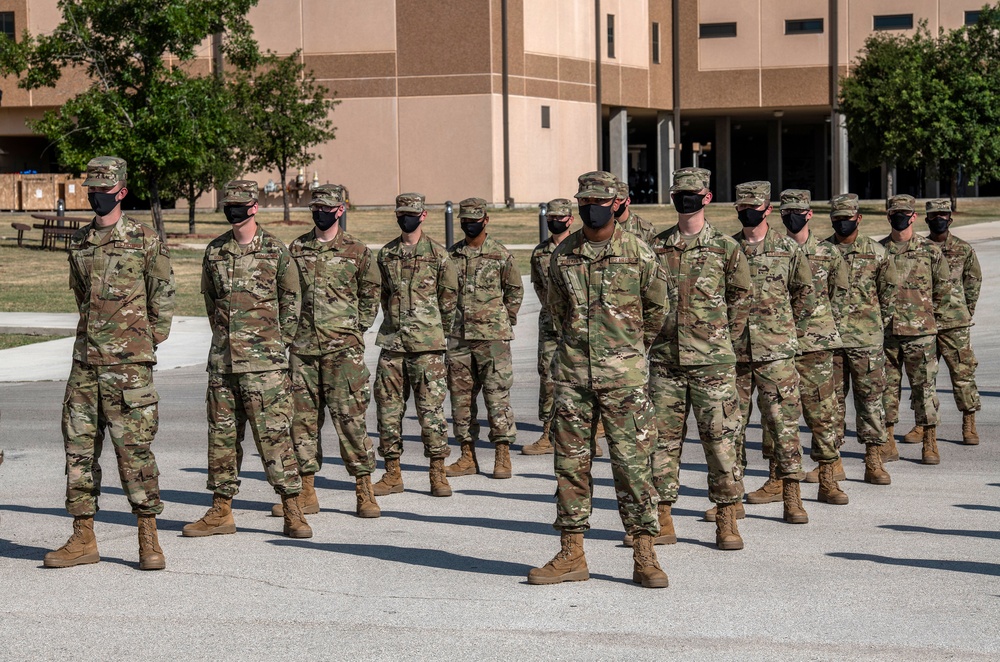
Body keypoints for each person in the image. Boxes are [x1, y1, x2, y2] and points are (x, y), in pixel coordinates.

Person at [528, 171, 669, 589]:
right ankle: (572, 552)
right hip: (573, 376)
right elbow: (556, 311)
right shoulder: (564, 255)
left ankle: (644, 552)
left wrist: (626, 350)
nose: (591, 208)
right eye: (584, 202)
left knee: (633, 466)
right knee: (571, 465)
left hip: (623, 379)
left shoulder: (639, 253)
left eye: (598, 202)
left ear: (615, 205)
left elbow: (658, 310)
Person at [45, 156, 175, 571]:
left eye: (103, 190)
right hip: (85, 364)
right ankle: (84, 536)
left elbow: (163, 299)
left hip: (129, 366)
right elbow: (80, 295)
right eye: (91, 190)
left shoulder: (144, 239)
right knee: (78, 450)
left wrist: (139, 343)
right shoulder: (79, 242)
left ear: (120, 191)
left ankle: (148, 536)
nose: (96, 196)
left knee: (135, 452)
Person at [183, 180, 311, 539]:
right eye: (229, 204)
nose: (234, 210)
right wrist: (226, 340)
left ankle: (293, 509)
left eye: (241, 205)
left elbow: (292, 301)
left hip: (265, 368)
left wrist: (275, 344)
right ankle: (221, 511)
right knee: (221, 439)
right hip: (223, 364)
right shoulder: (215, 252)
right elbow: (212, 304)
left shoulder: (275, 250)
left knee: (275, 439)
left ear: (254, 207)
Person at [644, 167, 750, 551]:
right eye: (678, 193)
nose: (684, 199)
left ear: (706, 197)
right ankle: (662, 516)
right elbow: (645, 301)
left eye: (692, 193)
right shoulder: (655, 247)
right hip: (665, 364)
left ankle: (725, 518)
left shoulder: (725, 247)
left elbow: (741, 298)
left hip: (712, 364)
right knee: (660, 442)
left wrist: (722, 340)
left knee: (721, 442)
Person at [270, 184, 381, 520]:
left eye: (326, 207)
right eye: (315, 207)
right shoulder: (297, 248)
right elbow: (285, 292)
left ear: (340, 209)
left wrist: (353, 329)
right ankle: (306, 491)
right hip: (303, 349)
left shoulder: (357, 250)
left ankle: (364, 490)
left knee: (351, 421)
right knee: (301, 423)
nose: (320, 212)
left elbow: (370, 294)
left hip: (342, 352)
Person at [753, 190, 849, 506]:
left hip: (815, 346)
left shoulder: (827, 253)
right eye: (786, 212)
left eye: (798, 211)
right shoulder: (768, 250)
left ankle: (828, 478)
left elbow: (838, 296)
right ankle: (776, 479)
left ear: (809, 214)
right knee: (775, 416)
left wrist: (813, 329)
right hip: (776, 346)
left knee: (822, 412)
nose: (791, 216)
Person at [731, 181, 814, 525]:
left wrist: (783, 330)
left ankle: (791, 497)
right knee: (729, 428)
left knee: (783, 425)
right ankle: (730, 500)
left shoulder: (787, 249)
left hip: (776, 352)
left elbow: (805, 295)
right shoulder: (727, 249)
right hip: (734, 354)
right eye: (742, 209)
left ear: (767, 209)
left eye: (754, 207)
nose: (748, 214)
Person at [371, 193, 458, 497]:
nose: (405, 218)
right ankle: (392, 473)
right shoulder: (386, 255)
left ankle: (437, 473)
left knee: (431, 412)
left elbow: (449, 299)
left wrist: (435, 333)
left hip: (427, 347)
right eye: (401, 213)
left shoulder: (438, 255)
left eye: (411, 213)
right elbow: (382, 295)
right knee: (388, 411)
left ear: (423, 216)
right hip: (393, 345)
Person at [445, 198, 523, 479]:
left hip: (493, 340)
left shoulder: (500, 254)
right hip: (459, 339)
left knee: (497, 397)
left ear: (486, 220)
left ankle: (502, 456)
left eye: (475, 219)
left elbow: (514, 291)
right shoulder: (451, 256)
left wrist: (503, 321)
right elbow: (444, 295)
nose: (469, 224)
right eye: (465, 220)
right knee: (461, 400)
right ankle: (467, 456)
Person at [824, 194, 896, 484]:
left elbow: (888, 296)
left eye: (848, 218)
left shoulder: (877, 253)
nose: (843, 223)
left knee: (871, 401)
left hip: (866, 341)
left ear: (858, 218)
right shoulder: (822, 251)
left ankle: (874, 460)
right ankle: (834, 461)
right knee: (831, 404)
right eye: (837, 219)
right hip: (830, 342)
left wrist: (875, 326)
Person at [880, 194, 951, 464]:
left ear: (914, 216)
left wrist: (929, 321)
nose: (899, 217)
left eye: (904, 213)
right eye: (894, 212)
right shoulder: (879, 251)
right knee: (886, 390)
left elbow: (943, 291)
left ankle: (929, 442)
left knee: (924, 390)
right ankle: (887, 441)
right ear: (889, 217)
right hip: (887, 334)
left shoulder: (930, 251)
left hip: (920, 334)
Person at [904, 199, 981, 445]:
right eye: (934, 215)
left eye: (943, 215)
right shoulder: (918, 248)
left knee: (963, 373)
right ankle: (922, 424)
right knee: (923, 377)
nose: (939, 218)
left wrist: (964, 311)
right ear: (926, 219)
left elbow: (973, 282)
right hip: (923, 323)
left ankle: (969, 424)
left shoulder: (963, 248)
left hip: (955, 323)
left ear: (950, 218)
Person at [522, 199, 575, 456]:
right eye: (550, 218)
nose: (554, 222)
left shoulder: (578, 249)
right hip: (550, 325)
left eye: (559, 217)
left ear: (570, 220)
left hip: (576, 325)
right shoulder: (539, 253)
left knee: (578, 379)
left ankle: (582, 434)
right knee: (547, 376)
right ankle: (547, 432)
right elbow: (539, 287)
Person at [614, 178, 657, 244]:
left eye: (620, 200)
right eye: (613, 200)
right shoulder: (602, 225)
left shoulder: (645, 229)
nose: (616, 203)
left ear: (628, 201)